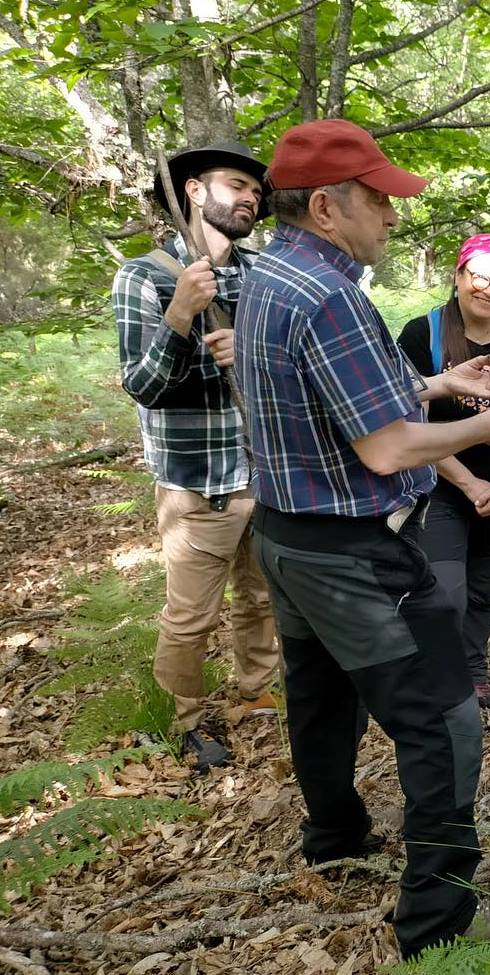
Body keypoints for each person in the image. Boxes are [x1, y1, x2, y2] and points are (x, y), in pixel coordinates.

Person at [232, 119, 490, 958]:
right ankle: (438, 916)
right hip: (354, 551)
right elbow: (389, 447)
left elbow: (339, 394)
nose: (394, 214)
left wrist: (441, 381)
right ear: (327, 207)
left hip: (285, 537)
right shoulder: (330, 294)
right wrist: (488, 426)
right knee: (445, 719)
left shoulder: (271, 274)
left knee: (320, 696)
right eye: (379, 199)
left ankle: (333, 836)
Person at [113, 141, 280, 772]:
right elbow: (144, 387)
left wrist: (253, 357)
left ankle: (256, 690)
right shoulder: (146, 275)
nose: (250, 198)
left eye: (256, 192)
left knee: (261, 598)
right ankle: (181, 721)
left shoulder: (261, 274)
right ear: (192, 190)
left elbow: (285, 373)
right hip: (197, 483)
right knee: (189, 617)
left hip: (263, 473)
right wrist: (181, 314)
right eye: (237, 184)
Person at [396, 234, 490, 712]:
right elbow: (411, 423)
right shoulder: (422, 334)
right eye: (480, 278)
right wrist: (468, 482)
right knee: (446, 593)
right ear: (459, 276)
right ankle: (439, 680)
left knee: (485, 591)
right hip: (440, 485)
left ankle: (473, 673)